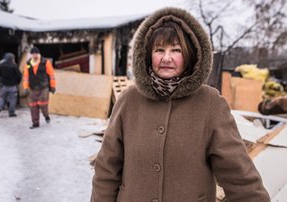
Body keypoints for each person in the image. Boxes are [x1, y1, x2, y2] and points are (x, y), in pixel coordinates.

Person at [91, 7, 270, 202]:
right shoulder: (128, 100)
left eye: (176, 50)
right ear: (147, 55)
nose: (166, 58)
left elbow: (239, 177)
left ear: (190, 55)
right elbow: (106, 172)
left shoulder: (210, 104)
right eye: (159, 50)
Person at [23, 47, 56, 129]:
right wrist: (25, 87)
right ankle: (35, 123)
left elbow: (51, 75)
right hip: (32, 87)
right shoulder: (28, 64)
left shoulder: (45, 62)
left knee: (43, 104)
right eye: (33, 54)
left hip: (43, 87)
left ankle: (46, 116)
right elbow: (26, 76)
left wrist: (53, 86)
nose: (34, 55)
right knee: (33, 105)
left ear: (39, 54)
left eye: (36, 54)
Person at [0, 53, 22, 117]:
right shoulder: (14, 66)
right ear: (12, 58)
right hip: (12, 86)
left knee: (1, 97)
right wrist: (17, 82)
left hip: (3, 85)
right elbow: (19, 75)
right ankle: (11, 113)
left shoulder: (1, 65)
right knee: (12, 99)